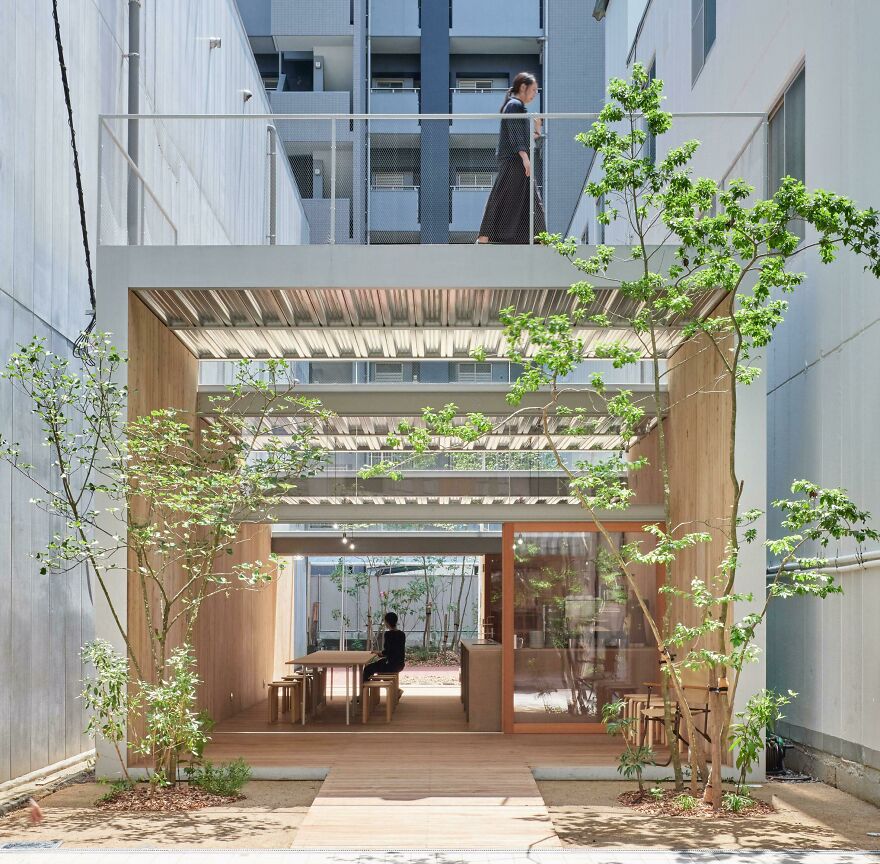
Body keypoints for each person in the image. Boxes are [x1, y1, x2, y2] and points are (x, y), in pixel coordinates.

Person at [477, 72, 547, 244]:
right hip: (514, 159)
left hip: (516, 158)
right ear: (523, 87)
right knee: (506, 195)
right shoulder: (514, 105)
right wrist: (524, 157)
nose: (535, 94)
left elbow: (523, 137)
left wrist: (537, 129)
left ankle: (540, 238)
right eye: (534, 90)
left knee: (527, 198)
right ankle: (485, 237)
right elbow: (516, 136)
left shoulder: (515, 106)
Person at [363, 611, 406, 684]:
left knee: (367, 669)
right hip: (400, 664)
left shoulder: (388, 634)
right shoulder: (402, 634)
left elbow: (387, 651)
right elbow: (396, 650)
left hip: (391, 665)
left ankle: (366, 690)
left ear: (387, 622)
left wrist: (379, 653)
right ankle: (392, 688)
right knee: (378, 665)